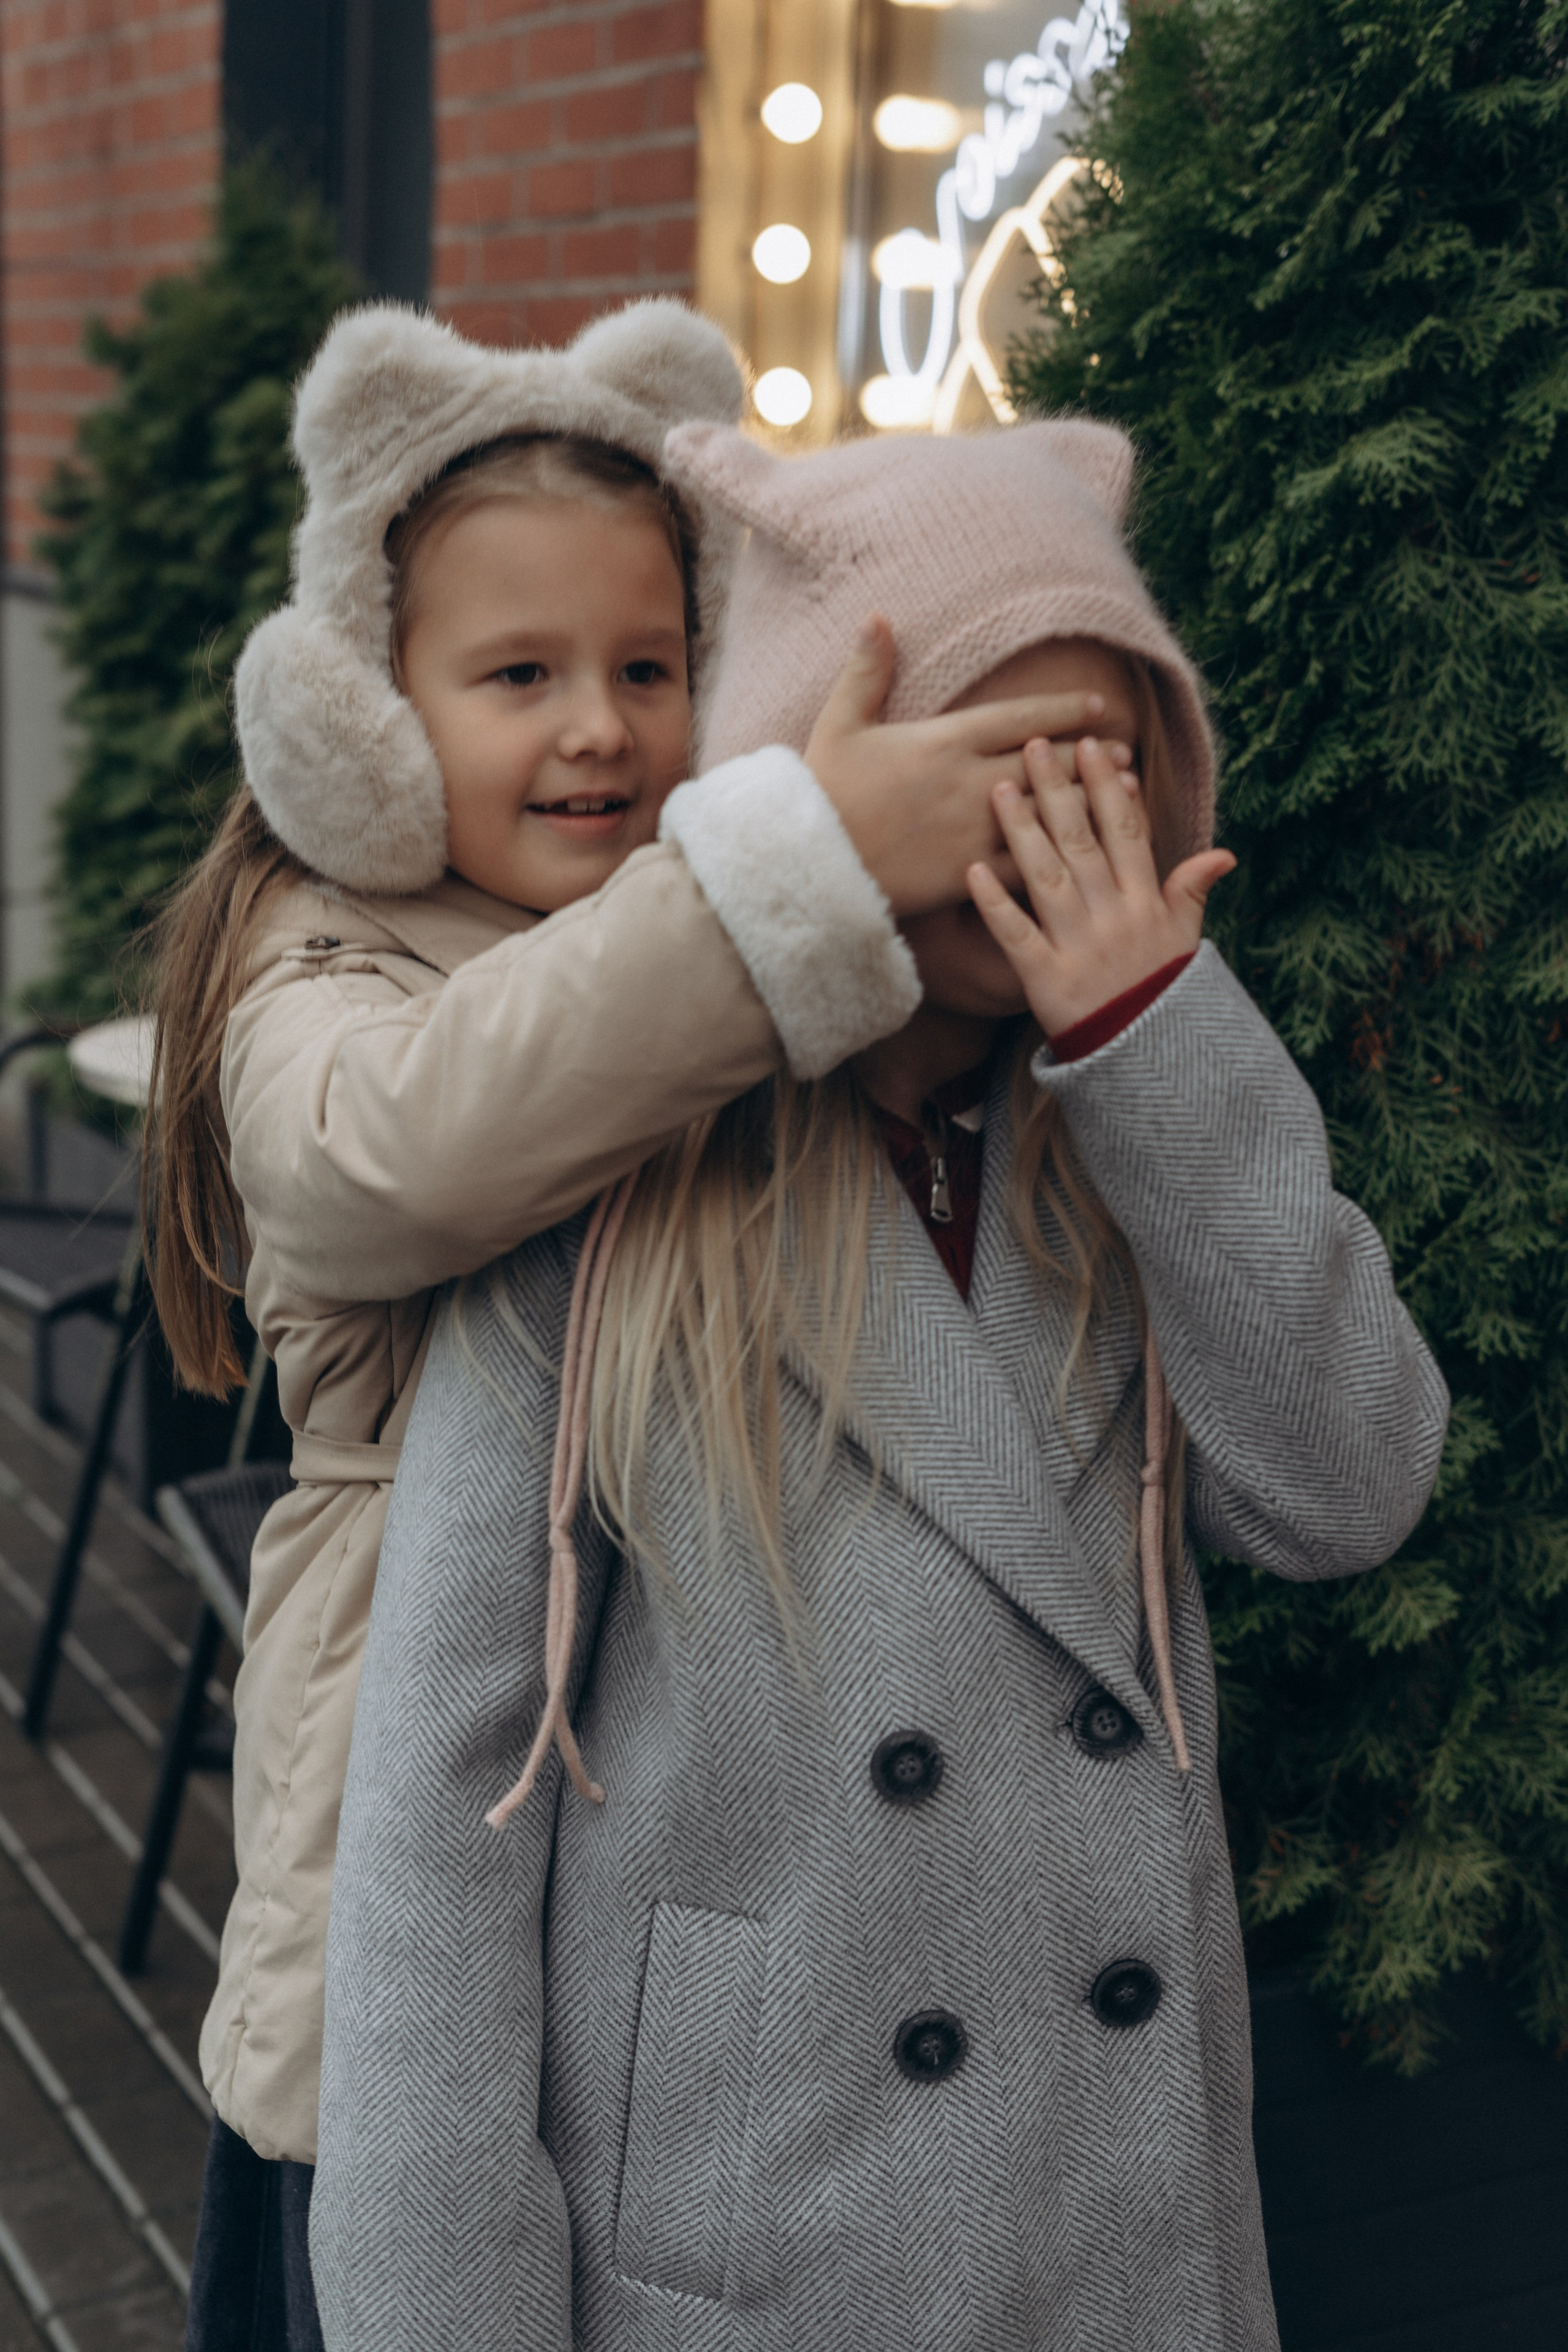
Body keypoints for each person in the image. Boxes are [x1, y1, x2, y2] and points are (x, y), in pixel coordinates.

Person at [311, 417, 1450, 2352]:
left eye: (1102, 774)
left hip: (1124, 2240)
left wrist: (1164, 1043)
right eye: (986, 768)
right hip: (759, 2261)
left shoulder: (1133, 1145)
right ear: (825, 793)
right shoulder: (613, 1203)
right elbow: (440, 1849)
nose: (1040, 831)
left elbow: (1350, 1494)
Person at [150, 303, 1101, 2351]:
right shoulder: (330, 974)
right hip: (400, 1926)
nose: (598, 727)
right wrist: (797, 875)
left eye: (651, 671)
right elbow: (399, 1149)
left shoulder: (700, 957)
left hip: (681, 1872)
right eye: (519, 676)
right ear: (368, 721)